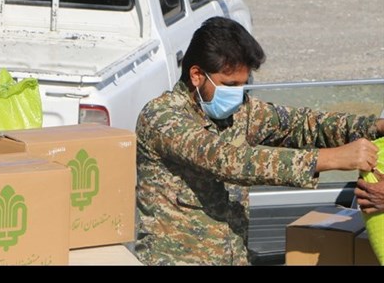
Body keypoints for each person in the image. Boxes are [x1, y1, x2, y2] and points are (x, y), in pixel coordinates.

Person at [134, 17, 384, 266]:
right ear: (197, 75)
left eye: (244, 85)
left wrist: (372, 127)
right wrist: (328, 159)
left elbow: (303, 124)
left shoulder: (241, 111)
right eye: (230, 85)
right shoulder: (162, 118)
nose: (237, 94)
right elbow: (228, 161)